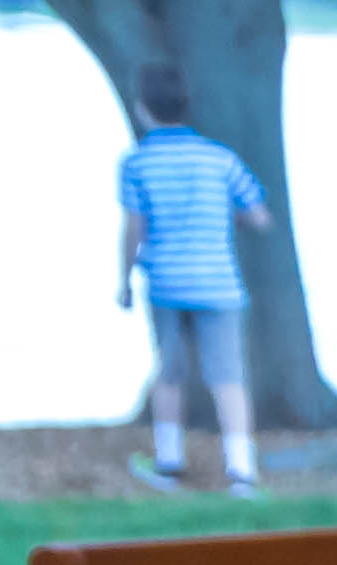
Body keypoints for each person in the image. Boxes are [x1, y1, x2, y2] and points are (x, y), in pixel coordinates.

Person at [116, 61, 271, 496]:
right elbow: (258, 215)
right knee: (228, 376)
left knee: (170, 372)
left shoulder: (137, 163)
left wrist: (125, 279)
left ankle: (169, 464)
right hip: (219, 282)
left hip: (165, 282)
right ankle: (241, 471)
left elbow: (134, 228)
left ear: (143, 108)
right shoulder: (219, 159)